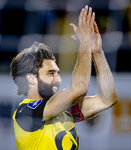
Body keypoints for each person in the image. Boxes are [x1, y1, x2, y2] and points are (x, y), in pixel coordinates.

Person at [10, 5, 118, 150]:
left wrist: (97, 52)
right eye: (50, 73)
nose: (58, 80)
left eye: (57, 73)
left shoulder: (63, 112)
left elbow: (107, 99)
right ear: (31, 79)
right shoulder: (26, 113)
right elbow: (79, 88)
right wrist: (85, 42)